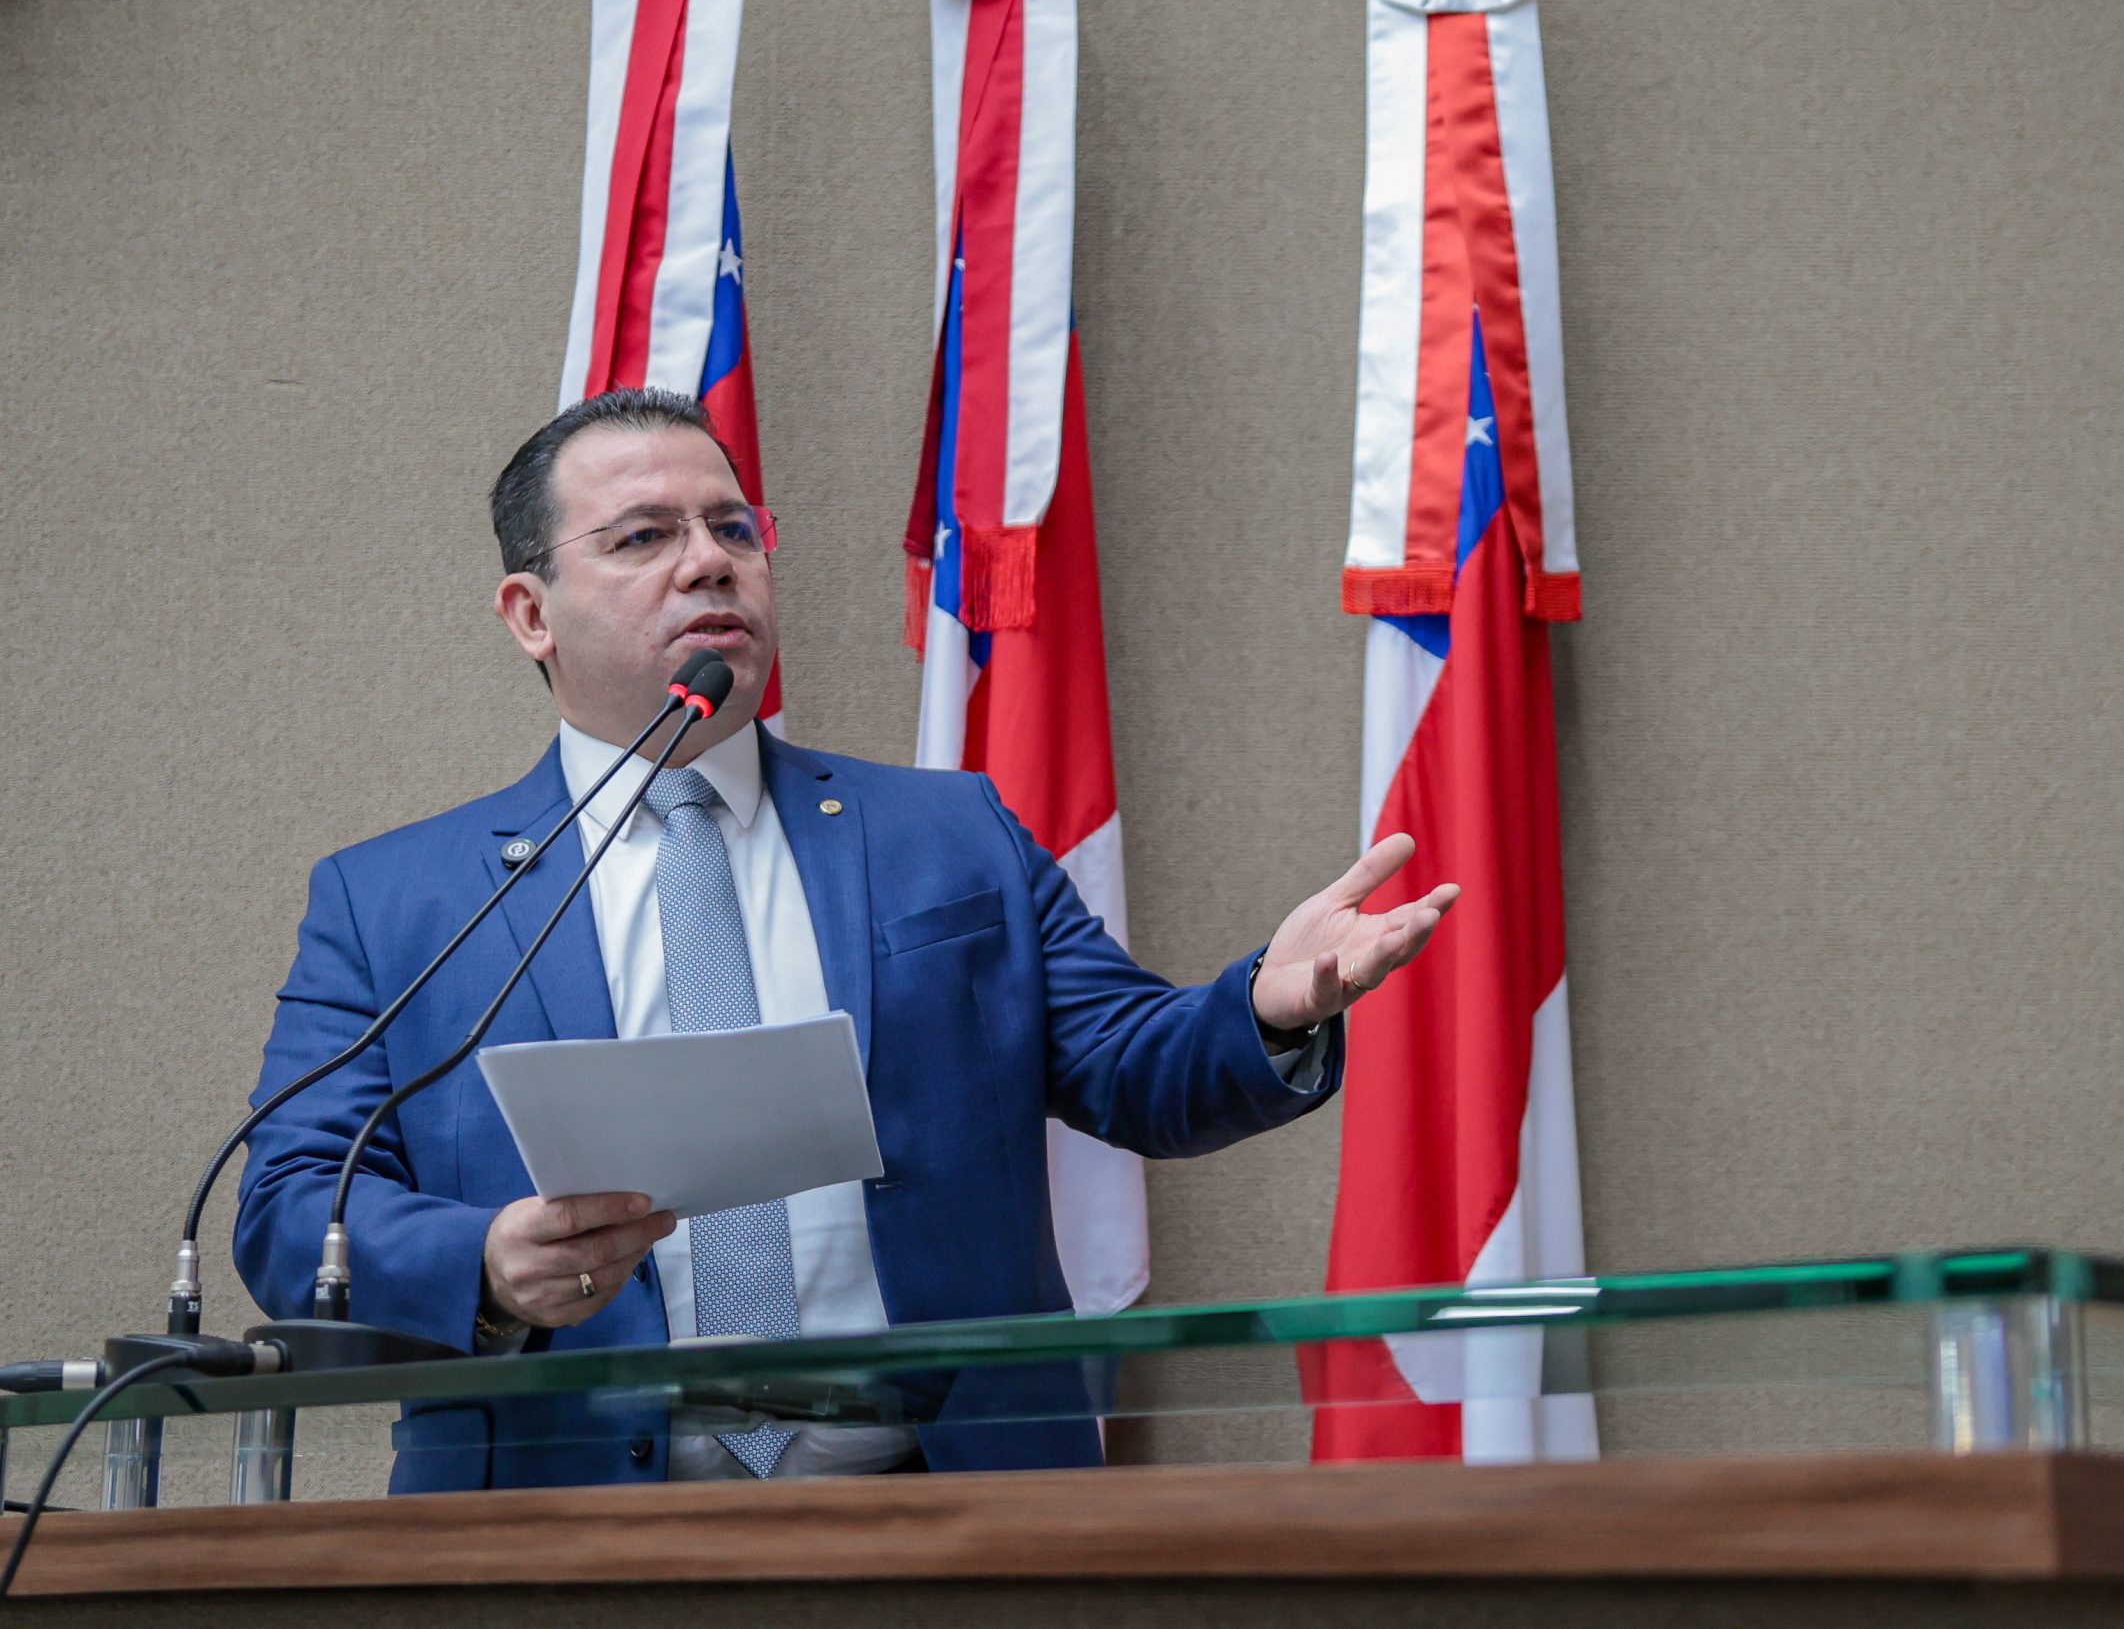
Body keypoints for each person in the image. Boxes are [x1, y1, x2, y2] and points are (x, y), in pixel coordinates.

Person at [234, 387, 1458, 1492]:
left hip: (942, 1500)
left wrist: (1266, 1008)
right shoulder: (395, 900)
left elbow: (1133, 1069)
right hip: (566, 1520)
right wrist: (486, 1267)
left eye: (733, 529)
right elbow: (290, 1208)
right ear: (529, 613)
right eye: (645, 537)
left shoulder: (948, 833)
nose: (709, 564)